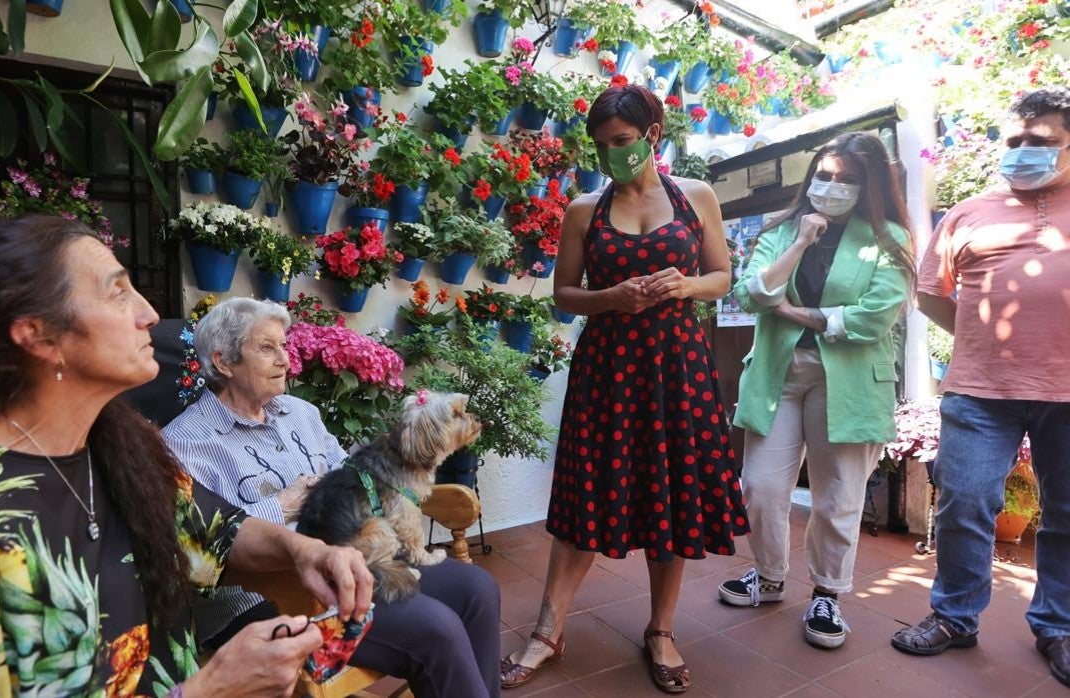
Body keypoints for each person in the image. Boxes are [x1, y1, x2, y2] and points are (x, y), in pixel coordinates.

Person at [0, 217, 373, 697]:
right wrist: (210, 690)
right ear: (37, 336)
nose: (149, 313)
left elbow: (216, 533)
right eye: (117, 292)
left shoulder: (118, 444)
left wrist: (302, 550)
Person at [499, 84, 748, 694]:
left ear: (653, 134)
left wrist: (685, 285)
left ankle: (661, 630)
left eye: (623, 140)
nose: (612, 153)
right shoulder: (584, 210)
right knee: (586, 493)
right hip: (607, 371)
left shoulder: (696, 196)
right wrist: (610, 298)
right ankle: (548, 630)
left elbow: (722, 276)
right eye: (602, 145)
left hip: (678, 370)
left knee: (672, 494)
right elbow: (564, 294)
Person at [162, 297, 502, 698]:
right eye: (267, 348)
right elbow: (202, 551)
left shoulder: (300, 413)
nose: (285, 359)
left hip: (356, 561)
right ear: (223, 362)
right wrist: (283, 505)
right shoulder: (185, 444)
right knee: (436, 629)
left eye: (284, 345)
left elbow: (355, 480)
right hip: (278, 597)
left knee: (477, 589)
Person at [891, 88, 1070, 689]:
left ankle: (1059, 625)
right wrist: (983, 340)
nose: (1024, 150)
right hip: (980, 390)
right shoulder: (968, 212)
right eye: (1014, 140)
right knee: (964, 501)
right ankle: (955, 616)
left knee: (1067, 513)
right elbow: (931, 293)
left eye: (1041, 141)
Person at [721, 133, 914, 648]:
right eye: (824, 175)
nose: (832, 185)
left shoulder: (888, 237)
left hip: (848, 381)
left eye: (847, 179)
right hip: (777, 374)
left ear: (869, 185)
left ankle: (828, 593)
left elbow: (873, 318)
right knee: (760, 487)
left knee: (837, 495)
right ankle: (768, 576)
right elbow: (752, 294)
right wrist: (802, 242)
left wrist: (795, 312)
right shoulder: (782, 229)